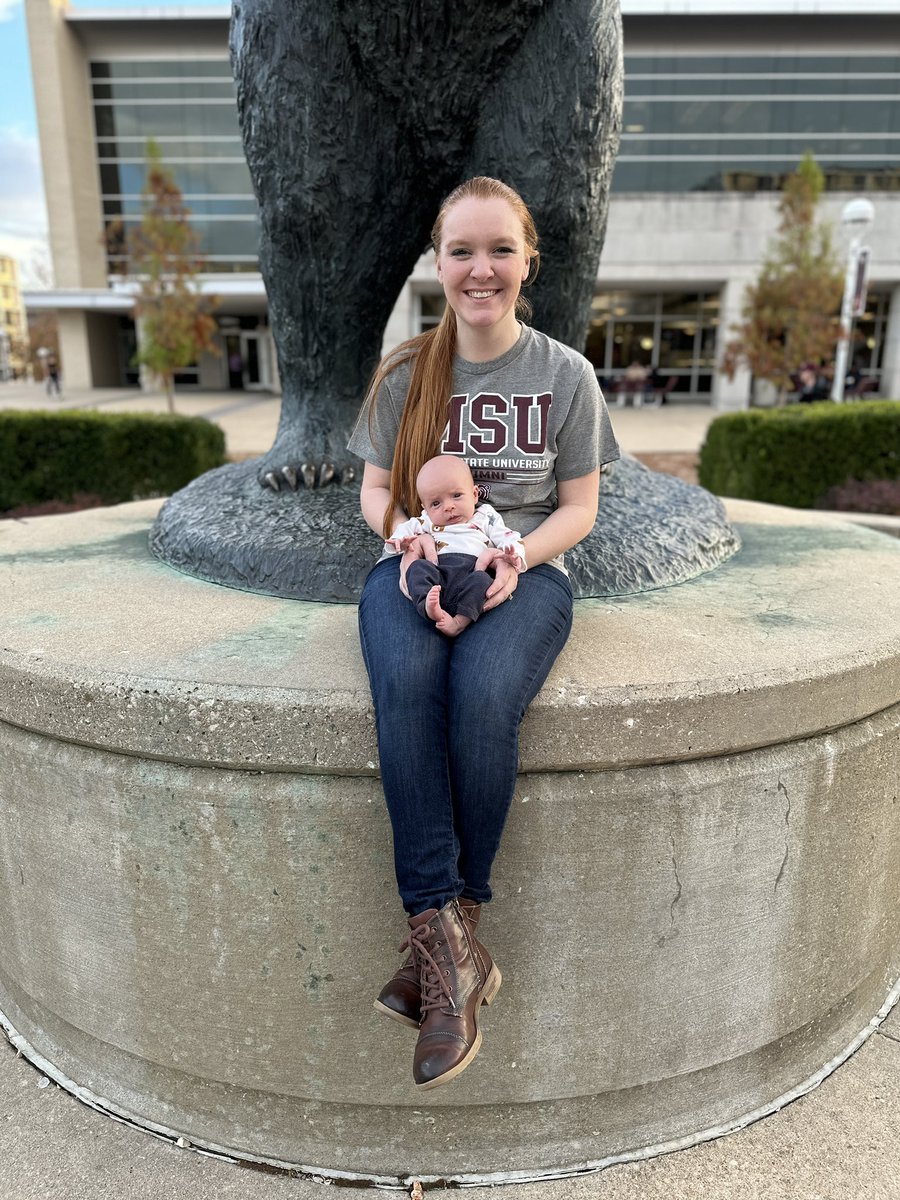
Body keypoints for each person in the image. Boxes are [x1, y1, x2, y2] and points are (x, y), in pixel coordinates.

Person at [348, 176, 619, 1091]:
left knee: (482, 697)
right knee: (408, 684)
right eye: (462, 249)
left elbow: (580, 507)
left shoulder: (563, 375)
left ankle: (441, 949)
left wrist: (514, 565)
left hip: (527, 571)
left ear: (528, 261)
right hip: (412, 568)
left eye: (500, 249)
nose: (480, 268)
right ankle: (452, 947)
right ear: (438, 262)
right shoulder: (406, 371)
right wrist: (411, 544)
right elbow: (376, 492)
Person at [385, 454, 527, 637]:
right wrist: (400, 541)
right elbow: (405, 529)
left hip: (471, 572)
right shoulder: (426, 520)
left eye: (456, 495)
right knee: (417, 568)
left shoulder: (485, 516)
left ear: (475, 494)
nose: (448, 507)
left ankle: (459, 622)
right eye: (436, 503)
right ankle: (428, 606)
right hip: (438, 573)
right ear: (425, 508)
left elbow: (508, 535)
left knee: (482, 581)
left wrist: (513, 555)